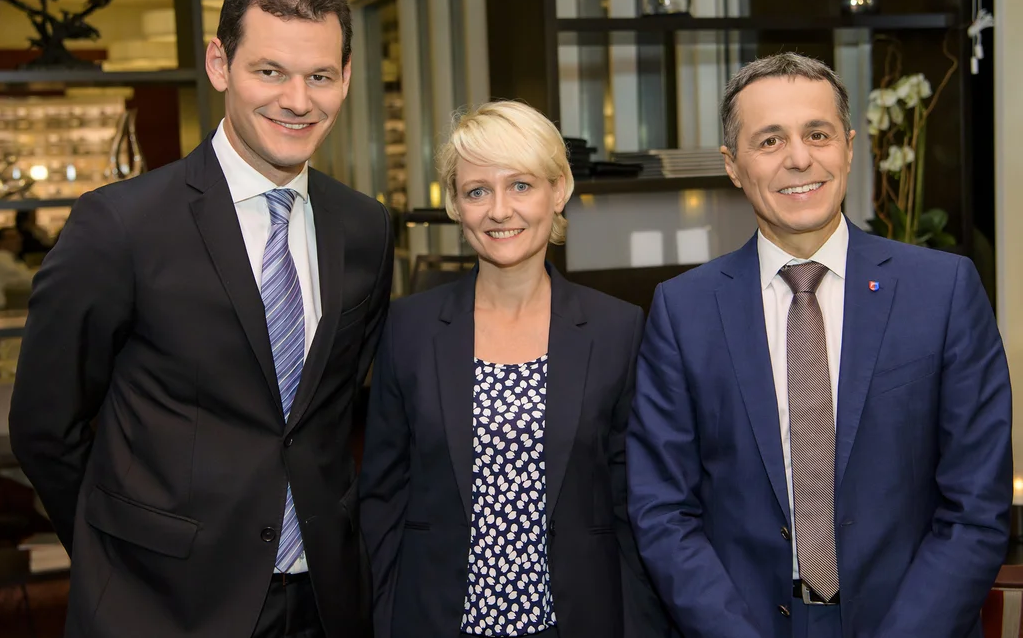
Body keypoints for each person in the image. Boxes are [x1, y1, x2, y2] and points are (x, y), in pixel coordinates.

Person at [9, 0, 392, 638]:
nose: (298, 100)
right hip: (158, 606)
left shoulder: (364, 228)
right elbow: (47, 426)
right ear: (219, 64)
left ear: (347, 76)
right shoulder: (119, 225)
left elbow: (331, 418)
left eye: (320, 76)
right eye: (269, 71)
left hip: (323, 602)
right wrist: (116, 558)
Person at [627, 52, 1012, 638]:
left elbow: (976, 509)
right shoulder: (683, 311)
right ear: (733, 165)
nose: (799, 158)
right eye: (770, 140)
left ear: (850, 147)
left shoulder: (944, 290)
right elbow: (663, 513)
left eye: (817, 134)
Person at [359, 100, 671, 638]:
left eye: (521, 185)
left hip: (577, 620)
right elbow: (382, 497)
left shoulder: (616, 329)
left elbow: (634, 505)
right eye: (477, 191)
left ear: (559, 191)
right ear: (456, 206)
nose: (500, 210)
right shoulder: (408, 328)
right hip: (436, 620)